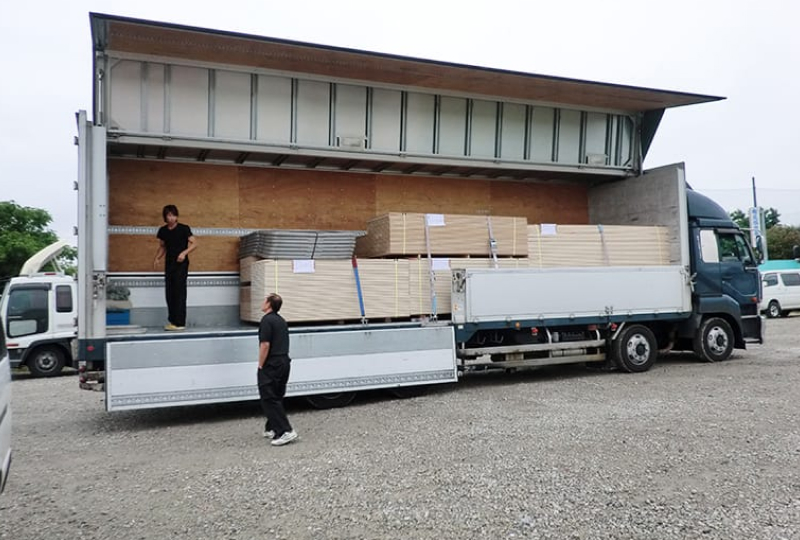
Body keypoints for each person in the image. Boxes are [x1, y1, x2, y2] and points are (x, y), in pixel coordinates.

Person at [258, 293, 298, 447]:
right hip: (283, 362)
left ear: (269, 304)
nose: (262, 303)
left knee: (269, 397)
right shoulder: (281, 320)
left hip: (272, 364)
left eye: (264, 300)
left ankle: (285, 431)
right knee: (277, 396)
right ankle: (272, 428)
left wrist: (260, 364)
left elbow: (265, 345)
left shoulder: (266, 321)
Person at [154, 205, 197, 331]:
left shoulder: (184, 229)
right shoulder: (163, 231)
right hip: (169, 263)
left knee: (179, 291)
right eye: (169, 215)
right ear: (165, 217)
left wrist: (184, 253)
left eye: (173, 215)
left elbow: (195, 243)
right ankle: (173, 321)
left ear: (176, 216)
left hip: (181, 264)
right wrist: (157, 258)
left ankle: (180, 322)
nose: (171, 218)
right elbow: (162, 246)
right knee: (170, 292)